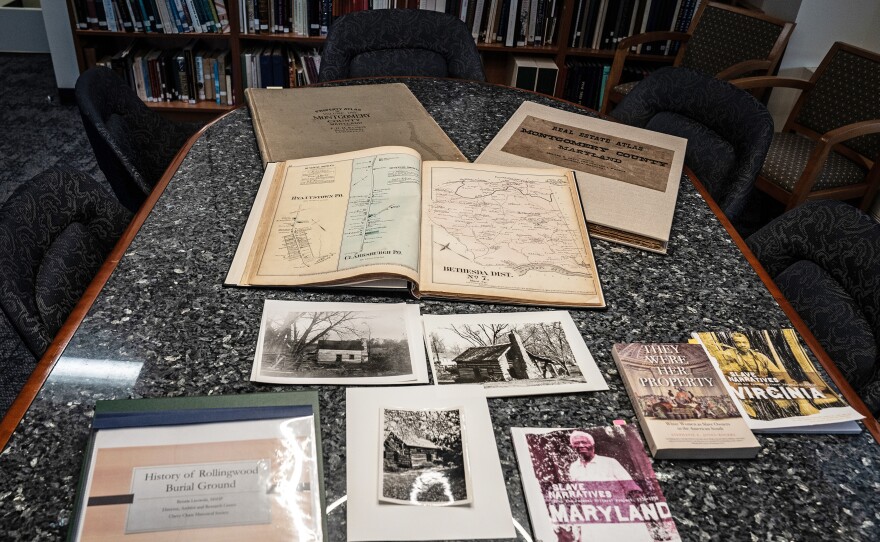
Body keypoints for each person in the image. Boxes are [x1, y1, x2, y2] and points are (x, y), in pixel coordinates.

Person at [717, 332, 800, 420]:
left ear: (749, 343)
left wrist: (787, 383)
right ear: (734, 344)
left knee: (787, 406)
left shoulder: (760, 356)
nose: (742, 345)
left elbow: (778, 374)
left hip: (763, 387)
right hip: (745, 389)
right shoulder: (729, 355)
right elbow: (730, 374)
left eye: (744, 342)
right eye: (738, 342)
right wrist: (762, 386)